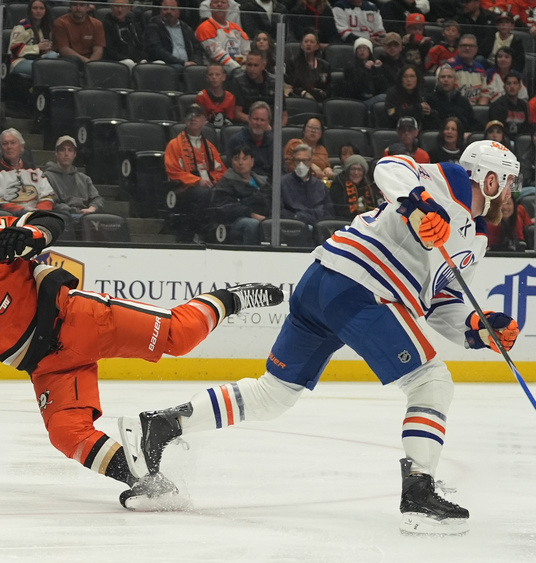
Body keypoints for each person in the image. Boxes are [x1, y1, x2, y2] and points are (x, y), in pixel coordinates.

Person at [121, 140, 521, 533]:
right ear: (489, 180)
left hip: (324, 282)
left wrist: (476, 327)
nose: (510, 193)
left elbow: (440, 301)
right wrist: (419, 202)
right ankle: (419, 492)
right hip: (359, 286)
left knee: (274, 394)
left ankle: (161, 426)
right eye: (507, 182)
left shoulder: (477, 239)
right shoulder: (450, 180)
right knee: (430, 381)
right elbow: (390, 167)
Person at [0, 208, 285, 510]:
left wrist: (30, 237)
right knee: (67, 434)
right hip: (47, 365)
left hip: (77, 319)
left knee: (180, 336)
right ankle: (145, 480)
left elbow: (51, 219)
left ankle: (231, 298)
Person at [165, 103, 227, 241]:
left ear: (205, 120)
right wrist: (197, 181)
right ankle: (200, 233)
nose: (193, 118)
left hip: (208, 187)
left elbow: (220, 171)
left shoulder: (210, 147)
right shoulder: (174, 145)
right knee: (203, 193)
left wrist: (211, 181)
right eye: (189, 115)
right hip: (185, 189)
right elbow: (174, 172)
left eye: (197, 115)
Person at [211, 145, 271, 244]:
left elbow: (274, 201)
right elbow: (225, 207)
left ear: (252, 161)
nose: (240, 163)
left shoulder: (263, 182)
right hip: (235, 222)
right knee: (251, 224)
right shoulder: (225, 183)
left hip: (265, 217)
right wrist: (251, 214)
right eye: (236, 159)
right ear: (231, 162)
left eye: (245, 158)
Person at [44, 135, 103, 230]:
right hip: (64, 218)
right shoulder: (47, 177)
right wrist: (78, 212)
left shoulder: (84, 178)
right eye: (62, 150)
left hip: (85, 216)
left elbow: (97, 198)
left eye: (70, 150)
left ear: (74, 154)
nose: (66, 154)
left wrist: (91, 209)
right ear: (56, 153)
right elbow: (53, 203)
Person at [0, 128, 55, 216]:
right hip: (11, 216)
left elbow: (47, 196)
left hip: (37, 216)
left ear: (21, 146)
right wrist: (24, 211)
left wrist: (38, 213)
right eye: (5, 144)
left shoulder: (35, 170)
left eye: (13, 143)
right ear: (1, 148)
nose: (9, 147)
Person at [281, 143, 334, 225]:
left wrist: (302, 216)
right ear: (293, 161)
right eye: (298, 160)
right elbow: (278, 210)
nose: (301, 164)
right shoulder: (283, 183)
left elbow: (328, 212)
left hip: (316, 226)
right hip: (293, 225)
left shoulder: (320, 186)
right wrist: (295, 217)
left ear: (311, 161)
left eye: (305, 160)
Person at [196, 0, 250, 75]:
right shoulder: (205, 28)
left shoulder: (236, 28)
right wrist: (238, 69)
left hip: (238, 71)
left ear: (228, 6)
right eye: (216, 2)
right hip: (215, 73)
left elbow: (246, 53)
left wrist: (238, 60)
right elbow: (218, 55)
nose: (219, 4)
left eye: (223, 2)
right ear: (210, 6)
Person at [144, 0, 199, 70]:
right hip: (166, 66)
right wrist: (182, 63)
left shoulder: (186, 28)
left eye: (173, 9)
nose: (168, 12)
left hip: (188, 66)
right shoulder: (153, 27)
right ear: (160, 11)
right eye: (165, 9)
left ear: (179, 12)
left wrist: (195, 63)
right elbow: (157, 50)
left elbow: (197, 50)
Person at [9, 0, 58, 78]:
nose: (38, 11)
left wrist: (47, 47)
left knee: (53, 56)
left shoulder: (44, 27)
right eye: (35, 8)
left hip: (36, 59)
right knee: (44, 68)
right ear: (30, 10)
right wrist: (38, 47)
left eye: (41, 8)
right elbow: (15, 49)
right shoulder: (22, 26)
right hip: (19, 61)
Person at [226, 100, 274, 177]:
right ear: (249, 119)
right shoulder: (236, 141)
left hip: (270, 183)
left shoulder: (274, 142)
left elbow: (280, 170)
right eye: (255, 119)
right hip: (244, 182)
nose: (258, 123)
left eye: (262, 120)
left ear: (268, 122)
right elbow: (234, 171)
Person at [52, 0, 105, 67]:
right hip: (68, 61)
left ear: (88, 8)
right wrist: (87, 62)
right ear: (70, 7)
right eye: (75, 5)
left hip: (91, 60)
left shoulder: (97, 24)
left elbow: (98, 49)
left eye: (82, 5)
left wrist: (92, 64)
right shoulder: (60, 23)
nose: (78, 8)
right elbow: (64, 49)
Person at [426, 64, 477, 132]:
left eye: (449, 77)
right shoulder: (429, 100)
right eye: (443, 77)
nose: (446, 80)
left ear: (455, 80)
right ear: (438, 80)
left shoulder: (463, 101)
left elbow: (472, 122)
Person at [229, 50, 274, 123]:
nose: (252, 69)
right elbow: (237, 113)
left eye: (256, 65)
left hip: (271, 126)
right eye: (249, 65)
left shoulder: (274, 82)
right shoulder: (238, 82)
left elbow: (283, 115)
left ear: (263, 66)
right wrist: (257, 122)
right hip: (246, 125)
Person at [328, 153, 378, 219]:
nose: (356, 173)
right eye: (353, 169)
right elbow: (339, 210)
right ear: (347, 170)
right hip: (345, 220)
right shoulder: (338, 185)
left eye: (359, 169)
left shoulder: (369, 185)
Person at [285, 30, 330, 102]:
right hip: (299, 99)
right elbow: (290, 86)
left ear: (317, 46)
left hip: (318, 100)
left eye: (312, 42)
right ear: (301, 45)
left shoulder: (324, 66)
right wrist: (304, 93)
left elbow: (327, 87)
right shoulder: (292, 63)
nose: (308, 44)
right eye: (306, 42)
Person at [384, 64, 432, 129]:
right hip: (397, 129)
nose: (408, 80)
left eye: (412, 76)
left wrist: (427, 112)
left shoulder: (422, 93)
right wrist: (416, 108)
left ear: (417, 79)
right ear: (401, 79)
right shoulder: (392, 94)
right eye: (405, 77)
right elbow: (392, 114)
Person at [340, 37, 386, 105]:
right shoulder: (350, 67)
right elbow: (354, 89)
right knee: (383, 97)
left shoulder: (374, 65)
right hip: (357, 101)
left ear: (369, 50)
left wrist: (378, 70)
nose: (362, 50)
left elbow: (382, 88)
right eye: (359, 48)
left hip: (373, 99)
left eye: (364, 48)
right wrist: (365, 70)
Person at [446, 34, 485, 106]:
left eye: (471, 46)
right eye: (464, 45)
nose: (467, 48)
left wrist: (479, 109)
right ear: (458, 48)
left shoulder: (480, 68)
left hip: (475, 108)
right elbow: (447, 95)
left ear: (476, 49)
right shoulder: (449, 67)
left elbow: (485, 94)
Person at [103, 0, 145, 67]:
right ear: (111, 7)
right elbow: (110, 51)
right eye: (117, 6)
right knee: (129, 63)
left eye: (123, 6)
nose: (120, 10)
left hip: (136, 61)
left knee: (159, 63)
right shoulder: (106, 25)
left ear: (129, 8)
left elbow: (141, 44)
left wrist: (142, 59)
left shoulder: (133, 24)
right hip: (117, 62)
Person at [490, 73, 531, 139]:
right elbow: (497, 130)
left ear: (519, 87)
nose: (512, 86)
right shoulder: (497, 105)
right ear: (504, 87)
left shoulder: (523, 105)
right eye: (509, 83)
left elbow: (526, 128)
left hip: (520, 140)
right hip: (504, 140)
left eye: (515, 83)